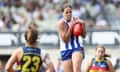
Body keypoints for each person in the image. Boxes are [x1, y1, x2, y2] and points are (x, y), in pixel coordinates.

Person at [57, 3, 86, 72]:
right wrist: (70, 26)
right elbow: (65, 40)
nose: (69, 14)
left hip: (77, 47)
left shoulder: (76, 21)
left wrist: (83, 25)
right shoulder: (61, 23)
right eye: (66, 12)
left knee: (76, 69)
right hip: (65, 50)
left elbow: (84, 36)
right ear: (62, 13)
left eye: (70, 12)